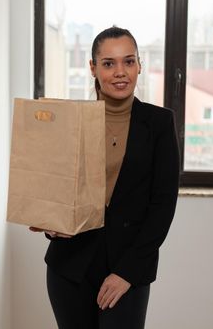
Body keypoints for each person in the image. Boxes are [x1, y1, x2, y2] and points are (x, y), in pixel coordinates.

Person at [30, 26, 180, 329]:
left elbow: (162, 206)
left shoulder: (159, 123)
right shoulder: (70, 121)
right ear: (93, 68)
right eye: (109, 63)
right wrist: (53, 225)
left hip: (128, 269)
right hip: (70, 267)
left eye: (128, 61)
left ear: (139, 66)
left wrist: (128, 273)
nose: (120, 72)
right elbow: (56, 188)